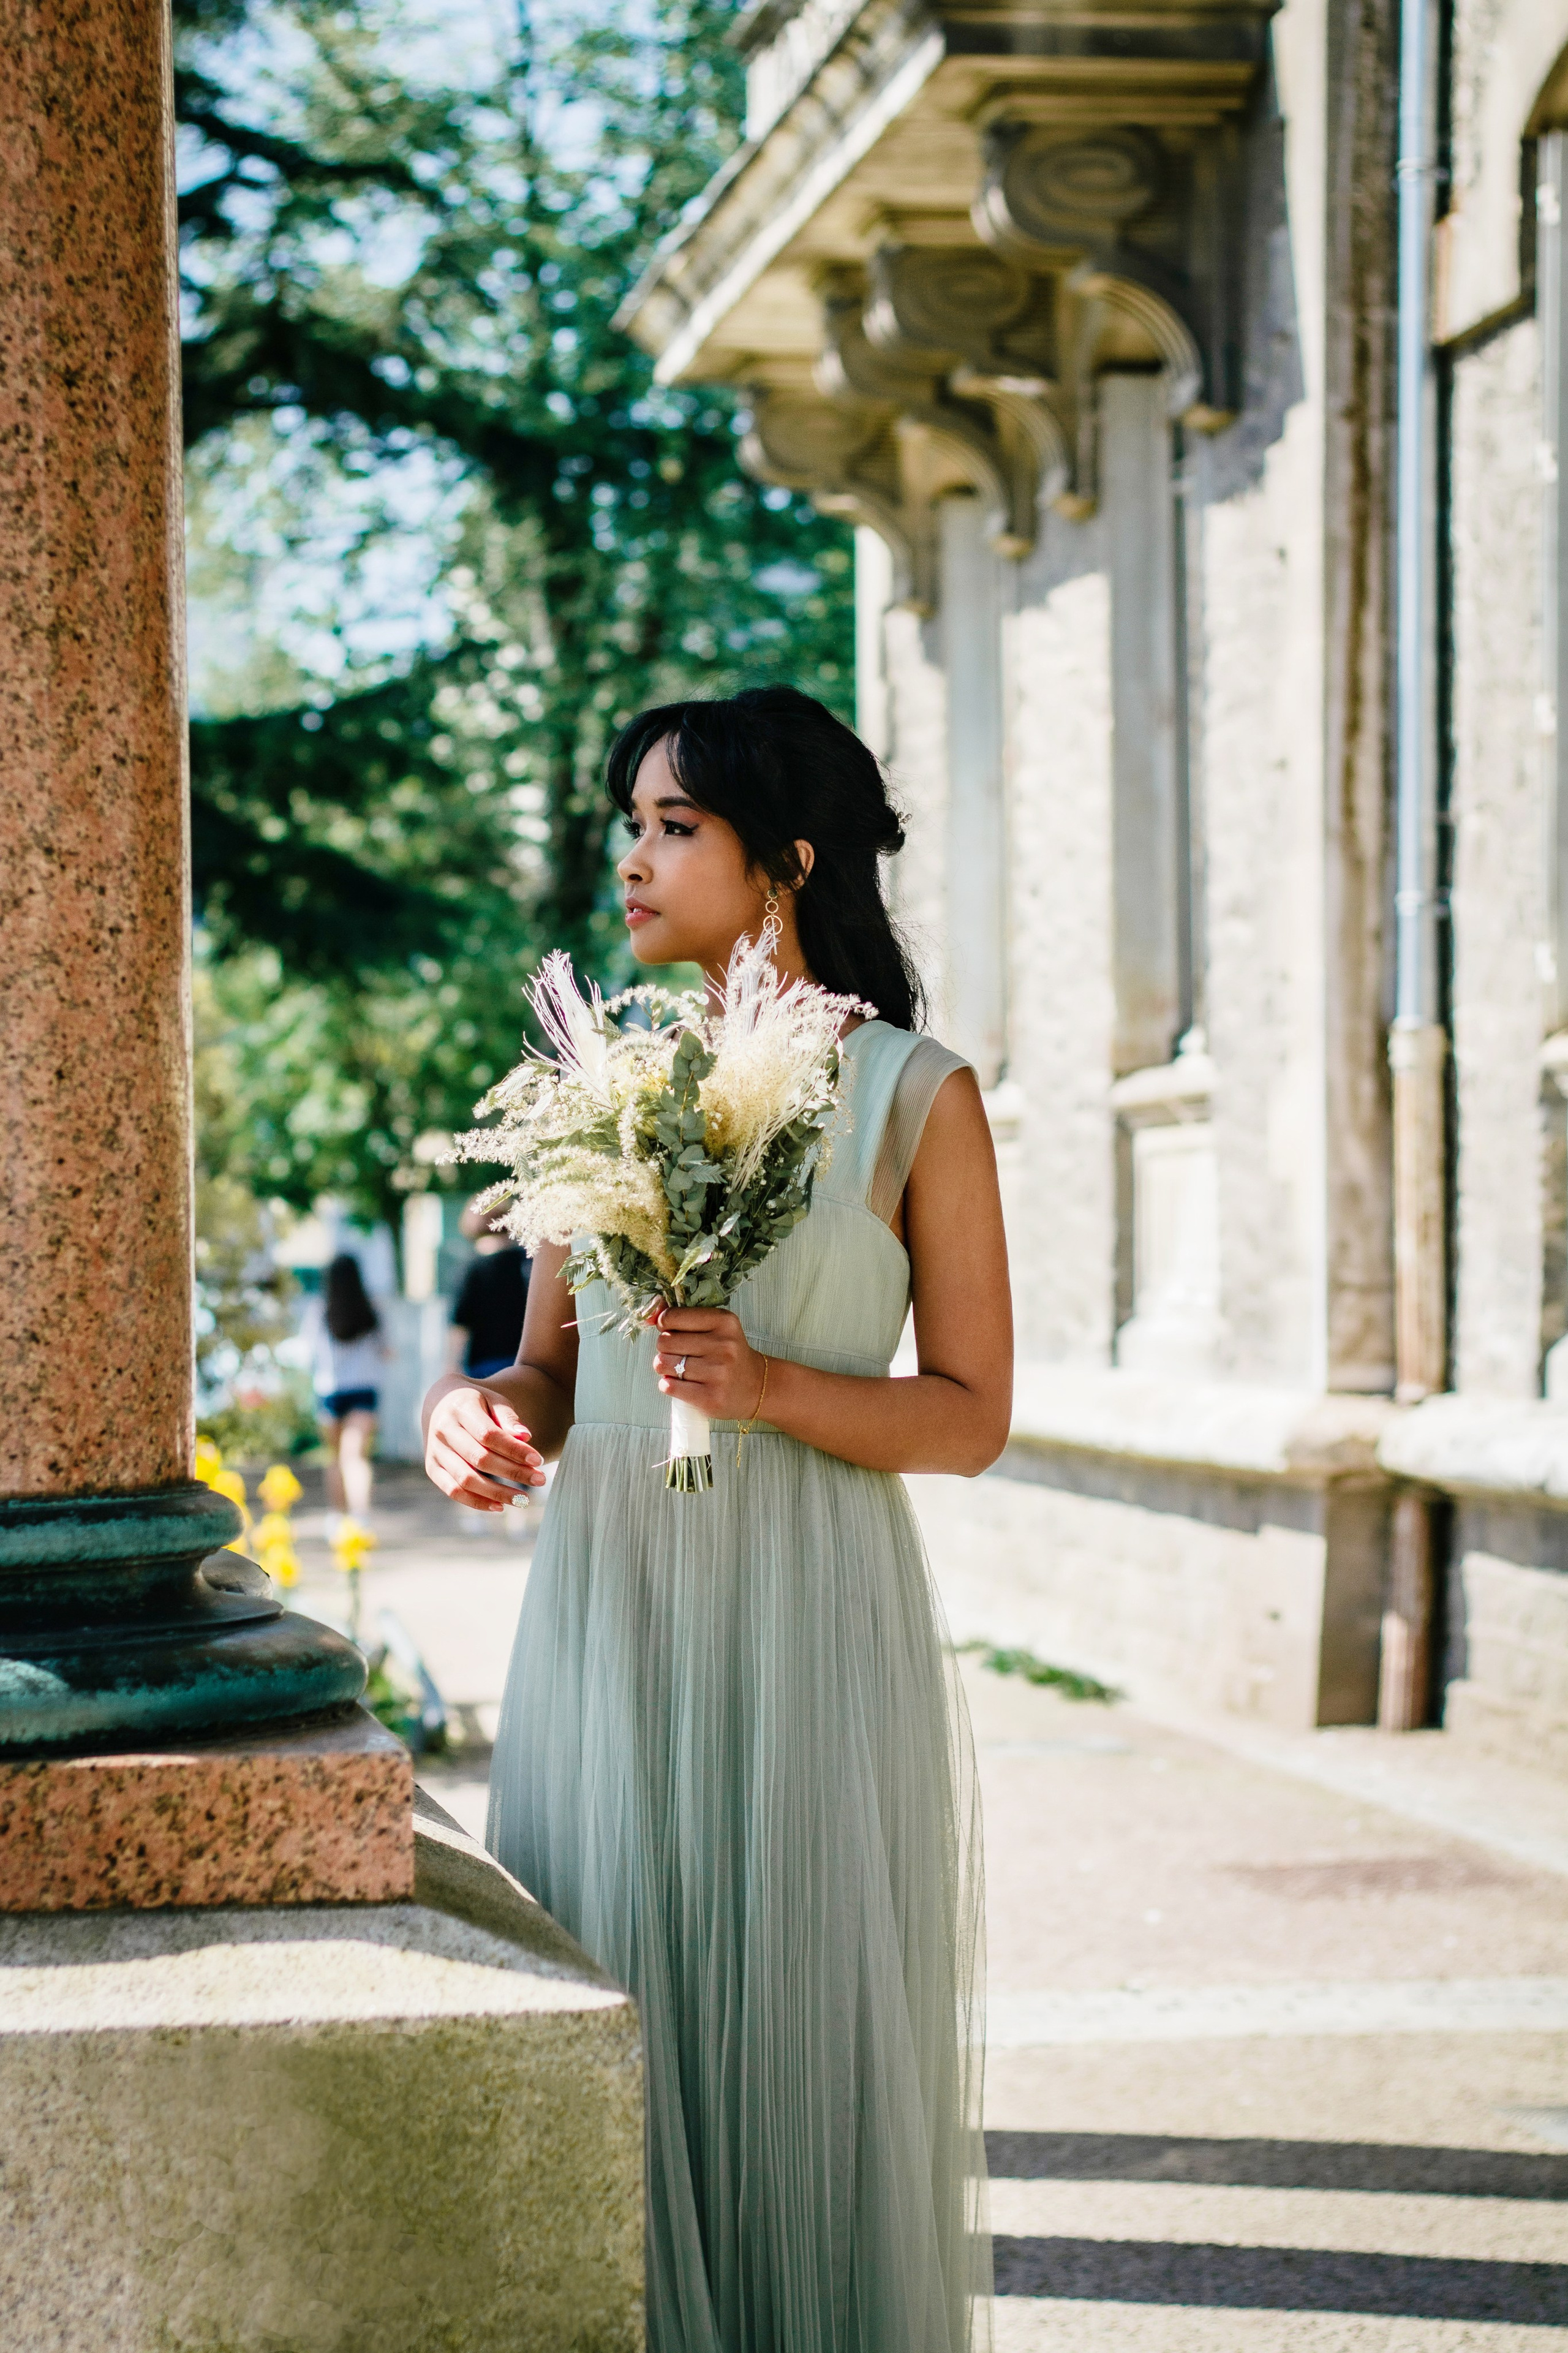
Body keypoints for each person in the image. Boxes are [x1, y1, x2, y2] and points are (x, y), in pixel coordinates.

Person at [422, 684, 1012, 2353]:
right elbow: (542, 1367)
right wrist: (472, 1414)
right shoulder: (593, 1074)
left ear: (787, 862)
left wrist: (772, 1393)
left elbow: (971, 1415)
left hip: (811, 1619)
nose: (632, 858)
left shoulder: (915, 1095)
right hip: (611, 1615)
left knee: (798, 2050)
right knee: (607, 2005)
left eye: (675, 826)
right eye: (631, 824)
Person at [301, 1251, 388, 1525]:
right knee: (357, 1458)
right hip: (364, 1390)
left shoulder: (320, 1310)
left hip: (330, 1392)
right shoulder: (372, 1309)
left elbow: (306, 1353)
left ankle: (337, 1518)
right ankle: (362, 1516)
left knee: (336, 1457)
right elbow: (387, 1351)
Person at [447, 1201, 531, 1381]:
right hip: (526, 1362)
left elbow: (461, 1323)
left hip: (484, 1365)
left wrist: (452, 1366)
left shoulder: (471, 1269)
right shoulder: (529, 1262)